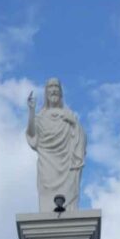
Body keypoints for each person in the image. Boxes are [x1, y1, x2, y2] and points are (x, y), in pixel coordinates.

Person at [26, 78, 87, 212]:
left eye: (56, 87)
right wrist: (31, 111)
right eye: (50, 87)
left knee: (68, 199)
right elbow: (32, 135)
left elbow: (80, 137)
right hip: (47, 161)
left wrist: (73, 123)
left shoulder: (68, 115)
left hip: (66, 163)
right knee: (47, 200)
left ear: (60, 92)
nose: (53, 90)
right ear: (46, 92)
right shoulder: (40, 117)